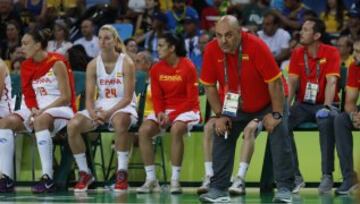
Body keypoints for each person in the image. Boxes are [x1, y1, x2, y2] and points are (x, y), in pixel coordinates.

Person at [198, 15, 294, 203]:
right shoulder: (211, 50)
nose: (223, 41)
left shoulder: (256, 46)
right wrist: (219, 115)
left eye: (228, 35)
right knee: (221, 130)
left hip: (269, 100)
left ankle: (285, 189)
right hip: (237, 103)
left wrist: (276, 114)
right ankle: (218, 188)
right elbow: (209, 86)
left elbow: (275, 83)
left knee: (278, 130)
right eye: (218, 35)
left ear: (239, 33)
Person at [0, 28, 76, 193]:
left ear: (38, 45)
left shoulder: (57, 62)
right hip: (37, 109)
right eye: (21, 44)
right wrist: (34, 109)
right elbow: (28, 93)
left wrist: (42, 111)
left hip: (60, 108)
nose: (22, 47)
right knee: (6, 123)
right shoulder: (26, 66)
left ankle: (47, 178)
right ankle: (6, 179)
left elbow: (66, 97)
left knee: (41, 120)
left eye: (26, 43)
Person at [67, 24, 138, 192]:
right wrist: (93, 114)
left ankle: (121, 172)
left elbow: (128, 97)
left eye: (107, 38)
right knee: (73, 126)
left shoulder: (126, 62)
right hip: (101, 106)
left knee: (121, 122)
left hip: (123, 105)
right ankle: (85, 172)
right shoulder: (92, 64)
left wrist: (107, 114)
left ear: (115, 41)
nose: (102, 41)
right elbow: (90, 98)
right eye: (100, 38)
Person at [136, 32, 201, 194]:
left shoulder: (188, 66)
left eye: (161, 46)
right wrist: (159, 113)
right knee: (144, 131)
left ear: (172, 48)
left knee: (176, 129)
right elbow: (157, 97)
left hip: (188, 110)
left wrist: (170, 116)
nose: (157, 49)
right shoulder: (156, 68)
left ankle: (175, 181)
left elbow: (192, 100)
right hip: (164, 111)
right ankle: (151, 180)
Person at [287, 17, 341, 194]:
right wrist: (285, 108)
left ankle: (327, 175)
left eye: (305, 30)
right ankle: (295, 176)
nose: (300, 33)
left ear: (317, 35)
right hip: (303, 105)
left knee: (325, 121)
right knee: (281, 122)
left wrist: (326, 107)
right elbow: (292, 82)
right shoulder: (297, 53)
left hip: (326, 104)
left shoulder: (331, 52)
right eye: (301, 29)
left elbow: (332, 82)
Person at [333, 39, 360, 195]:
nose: (354, 56)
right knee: (341, 119)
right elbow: (349, 101)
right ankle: (349, 178)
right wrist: (354, 115)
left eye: (358, 52)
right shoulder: (355, 66)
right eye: (354, 51)